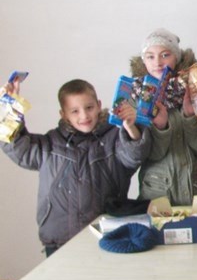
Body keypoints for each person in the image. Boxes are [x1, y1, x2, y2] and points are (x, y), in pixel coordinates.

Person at [0, 77, 150, 256]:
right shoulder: (50, 145)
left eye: (89, 108)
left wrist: (130, 128)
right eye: (75, 111)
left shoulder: (114, 137)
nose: (84, 116)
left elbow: (134, 155)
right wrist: (10, 109)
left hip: (107, 235)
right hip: (60, 240)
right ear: (63, 114)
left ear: (98, 105)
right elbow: (18, 148)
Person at [131, 28, 197, 206]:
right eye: (150, 56)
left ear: (177, 57)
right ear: (143, 60)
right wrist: (161, 127)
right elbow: (150, 154)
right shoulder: (136, 95)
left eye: (165, 55)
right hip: (158, 192)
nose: (157, 62)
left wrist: (190, 116)